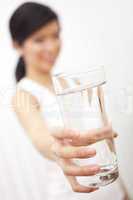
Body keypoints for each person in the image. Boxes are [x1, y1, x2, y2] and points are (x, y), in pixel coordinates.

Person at [9, 2, 129, 199]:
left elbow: (103, 142)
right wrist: (57, 149)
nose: (52, 46)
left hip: (110, 188)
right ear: (17, 45)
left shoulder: (73, 85)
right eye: (39, 40)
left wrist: (123, 192)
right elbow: (41, 139)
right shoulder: (24, 93)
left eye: (55, 36)